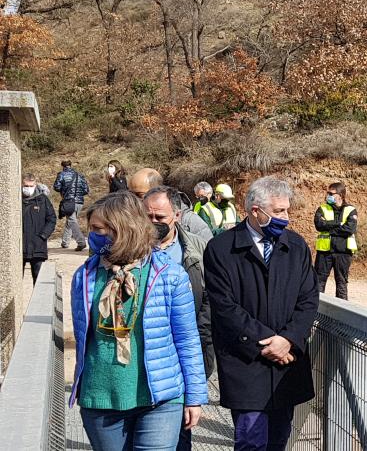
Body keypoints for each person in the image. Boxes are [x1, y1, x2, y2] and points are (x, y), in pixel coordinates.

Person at [69, 192, 207, 450]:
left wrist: (195, 397)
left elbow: (187, 339)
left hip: (160, 399)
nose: (93, 236)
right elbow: (83, 337)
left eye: (99, 229)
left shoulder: (169, 275)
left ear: (123, 229)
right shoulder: (85, 276)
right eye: (92, 229)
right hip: (100, 398)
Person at [204, 176, 318, 451]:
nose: (286, 217)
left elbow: (308, 299)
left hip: (286, 362)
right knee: (250, 441)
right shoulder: (221, 249)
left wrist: (288, 339)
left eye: (287, 210)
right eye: (279, 211)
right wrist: (267, 342)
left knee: (279, 438)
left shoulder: (296, 246)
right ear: (256, 211)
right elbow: (224, 307)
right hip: (246, 362)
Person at [143, 186, 215, 451]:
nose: (153, 223)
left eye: (159, 218)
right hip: (149, 356)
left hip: (189, 350)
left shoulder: (199, 249)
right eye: (147, 216)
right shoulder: (130, 249)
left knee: (182, 432)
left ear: (176, 215)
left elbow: (212, 300)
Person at [129, 168, 213, 243]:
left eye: (139, 195)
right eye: (131, 194)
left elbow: (209, 254)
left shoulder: (191, 223)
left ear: (157, 191)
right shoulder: (131, 219)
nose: (134, 200)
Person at [313, 182, 358, 299]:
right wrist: (338, 224)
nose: (328, 195)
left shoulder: (351, 210)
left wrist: (329, 227)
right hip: (324, 252)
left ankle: (341, 315)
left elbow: (349, 229)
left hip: (343, 253)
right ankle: (315, 313)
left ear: (341, 195)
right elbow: (319, 225)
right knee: (318, 283)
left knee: (341, 283)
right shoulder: (322, 209)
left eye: (331, 193)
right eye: (328, 193)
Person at [22, 173, 57, 284]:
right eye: (25, 185)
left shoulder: (43, 200)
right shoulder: (14, 200)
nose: (28, 188)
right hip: (19, 248)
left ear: (35, 185)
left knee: (38, 280)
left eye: (31, 186)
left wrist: (43, 236)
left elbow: (51, 219)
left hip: (38, 246)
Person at [54, 160, 89, 251]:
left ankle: (81, 242)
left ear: (62, 166)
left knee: (72, 221)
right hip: (79, 202)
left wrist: (64, 190)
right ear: (70, 165)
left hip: (69, 202)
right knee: (70, 220)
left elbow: (56, 187)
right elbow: (86, 190)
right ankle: (65, 242)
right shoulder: (80, 175)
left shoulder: (61, 175)